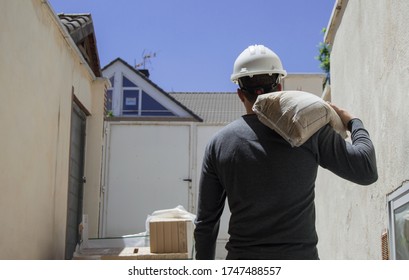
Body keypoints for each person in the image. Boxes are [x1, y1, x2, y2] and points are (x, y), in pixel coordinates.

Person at [194, 44, 378, 260]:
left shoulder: (219, 144)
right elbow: (366, 170)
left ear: (240, 94)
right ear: (280, 87)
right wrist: (353, 122)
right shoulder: (310, 130)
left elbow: (205, 224)